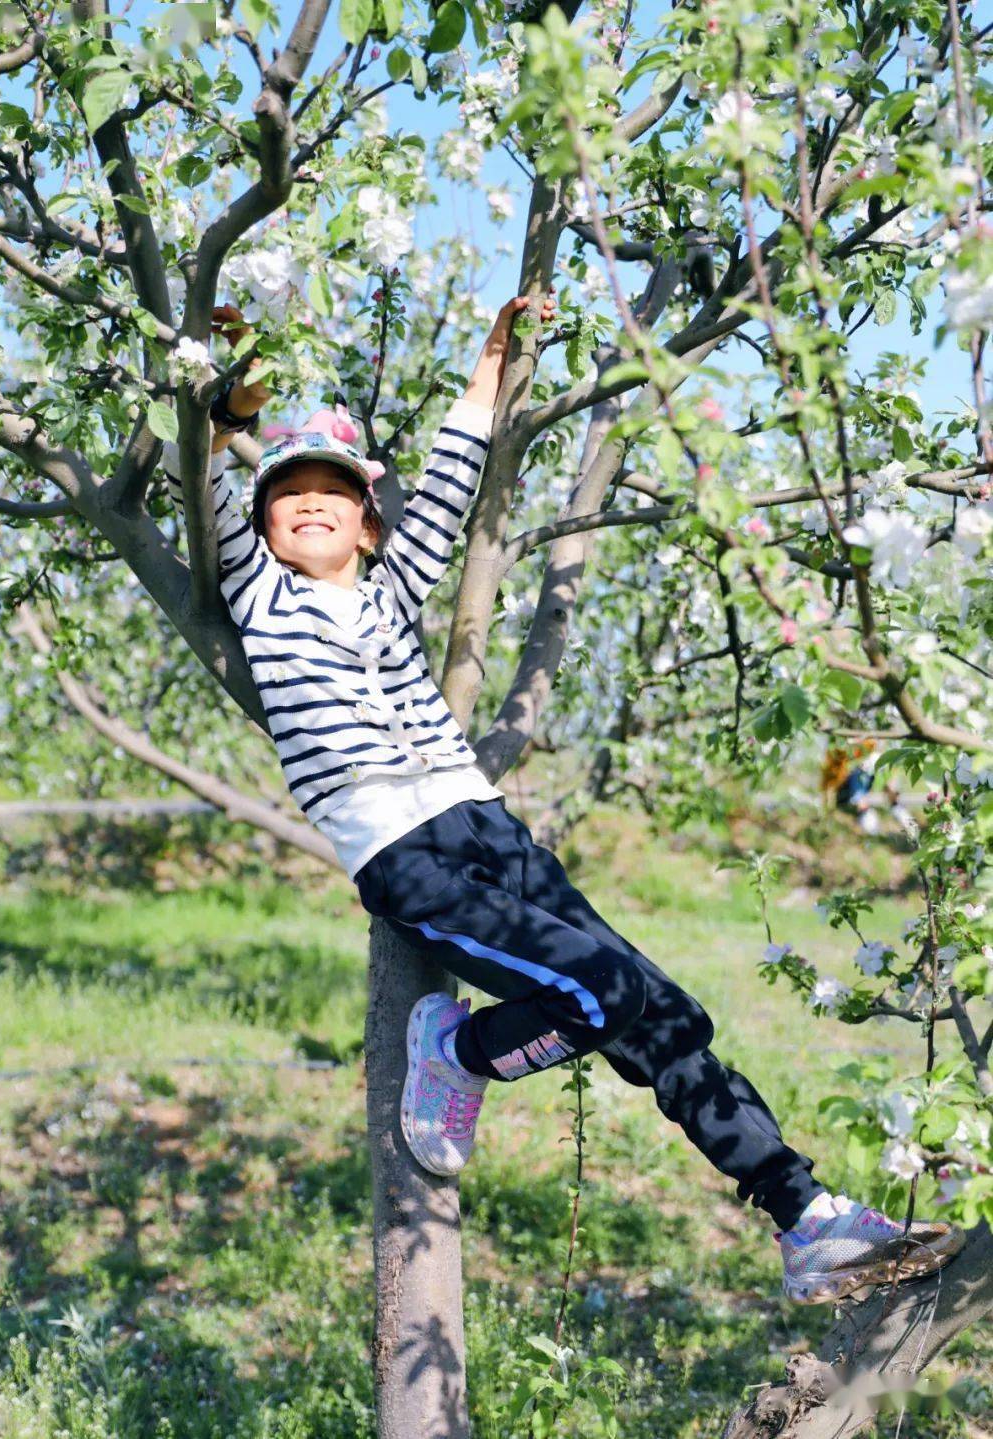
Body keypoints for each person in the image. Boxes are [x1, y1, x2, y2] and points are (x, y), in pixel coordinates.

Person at [160, 294, 964, 1306]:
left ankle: (806, 1215)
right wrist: (227, 400)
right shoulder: (261, 596)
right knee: (601, 991)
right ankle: (459, 1049)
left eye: (333, 490)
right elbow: (202, 486)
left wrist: (493, 360)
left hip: (485, 822)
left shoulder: (391, 591)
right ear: (266, 525)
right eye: (287, 495)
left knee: (668, 1009)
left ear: (370, 525)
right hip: (401, 846)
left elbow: (453, 475)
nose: (308, 503)